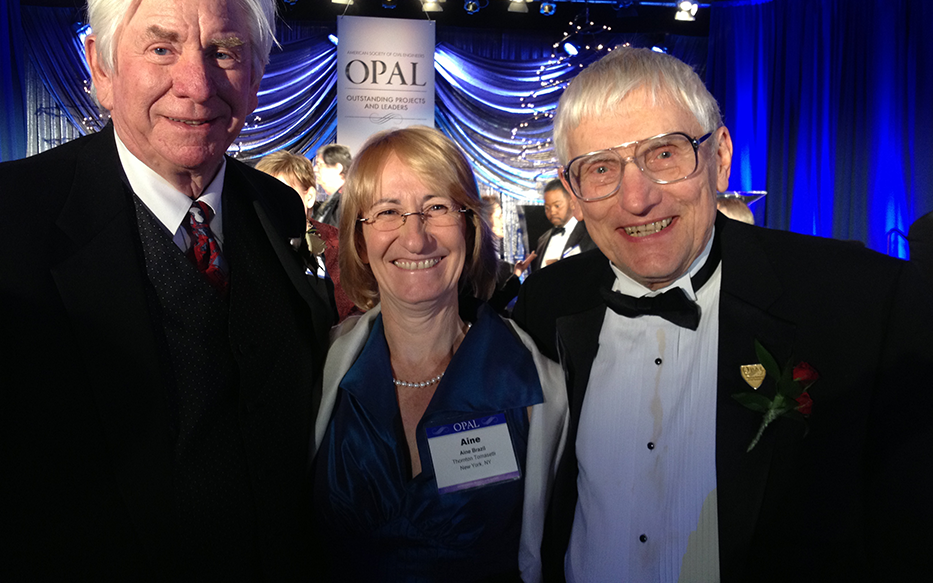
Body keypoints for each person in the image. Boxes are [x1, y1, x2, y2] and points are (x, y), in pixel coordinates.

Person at [512, 47, 933, 583]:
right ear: (573, 191)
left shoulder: (862, 302)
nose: (637, 199)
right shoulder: (547, 303)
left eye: (664, 154)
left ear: (720, 156)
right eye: (601, 168)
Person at [0, 0, 334, 580]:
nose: (197, 83)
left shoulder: (275, 209)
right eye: (162, 48)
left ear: (257, 75)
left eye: (224, 51)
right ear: (101, 67)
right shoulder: (13, 219)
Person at [311, 126, 568, 582]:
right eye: (388, 211)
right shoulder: (319, 368)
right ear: (358, 242)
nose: (415, 238)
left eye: (437, 208)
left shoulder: (537, 385)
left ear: (469, 226)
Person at [256, 149, 358, 320]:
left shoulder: (338, 248)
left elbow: (353, 312)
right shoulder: (250, 243)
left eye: (281, 194)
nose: (272, 205)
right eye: (264, 195)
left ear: (309, 197)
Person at [528, 179, 595, 273]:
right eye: (547, 207)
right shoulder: (542, 239)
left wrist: (561, 269)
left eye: (557, 205)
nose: (552, 211)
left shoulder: (590, 234)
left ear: (572, 203)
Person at [313, 142, 352, 226]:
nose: (315, 169)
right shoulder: (334, 199)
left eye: (320, 164)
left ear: (338, 168)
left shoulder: (348, 202)